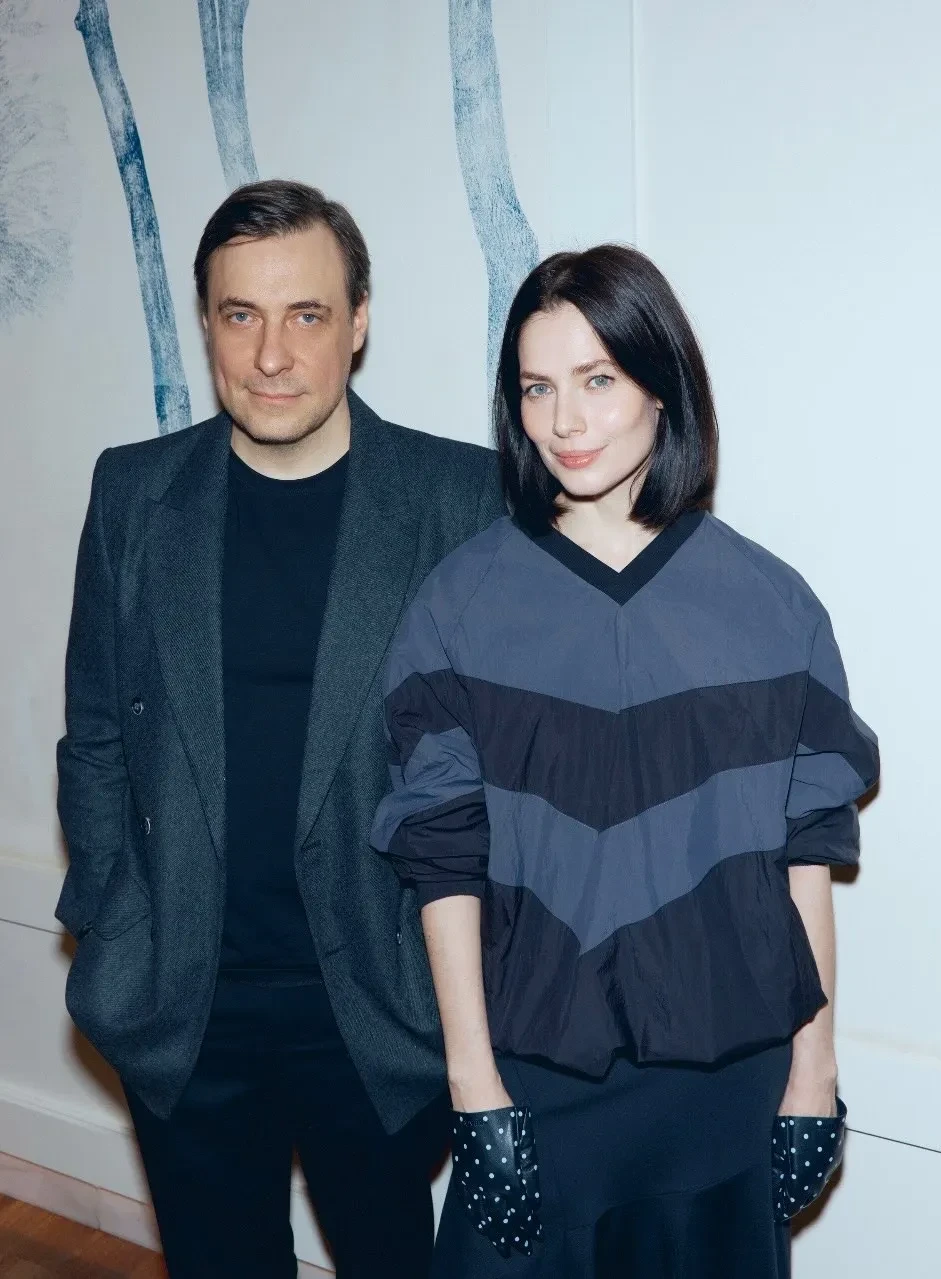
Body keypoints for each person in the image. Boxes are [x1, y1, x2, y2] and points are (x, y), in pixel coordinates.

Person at [372, 244, 879, 1277]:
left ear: (661, 386)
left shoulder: (771, 605)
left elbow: (806, 857)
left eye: (597, 379)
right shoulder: (459, 604)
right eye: (537, 388)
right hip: (535, 1083)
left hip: (727, 1083)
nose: (564, 420)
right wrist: (474, 1090)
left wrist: (813, 1075)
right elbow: (442, 858)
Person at [55, 179, 504, 1279]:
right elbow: (97, 729)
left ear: (358, 323)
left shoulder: (460, 499)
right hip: (184, 1004)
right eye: (239, 314)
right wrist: (112, 917)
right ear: (208, 322)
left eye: (306, 313)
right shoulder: (134, 492)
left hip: (381, 1008)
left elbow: (507, 765)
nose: (270, 354)